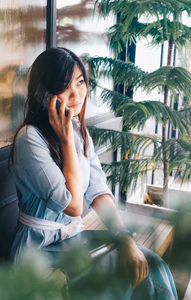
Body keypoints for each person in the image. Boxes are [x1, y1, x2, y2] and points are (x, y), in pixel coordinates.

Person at [9, 47, 177, 299]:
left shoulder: (77, 130)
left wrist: (126, 240)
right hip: (40, 249)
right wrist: (66, 142)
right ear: (45, 93)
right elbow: (74, 206)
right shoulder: (29, 139)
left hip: (72, 240)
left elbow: (98, 191)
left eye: (80, 82)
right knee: (116, 280)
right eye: (65, 86)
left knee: (151, 265)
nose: (76, 94)